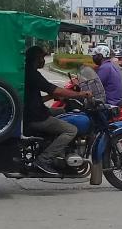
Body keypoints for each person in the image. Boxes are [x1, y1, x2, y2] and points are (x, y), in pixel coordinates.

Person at [24, 45, 91, 175]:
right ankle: (44, 159)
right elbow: (55, 89)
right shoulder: (32, 74)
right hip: (37, 117)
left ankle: (59, 150)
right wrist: (80, 94)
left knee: (63, 111)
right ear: (36, 59)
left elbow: (35, 98)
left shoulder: (27, 72)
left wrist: (51, 97)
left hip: (34, 111)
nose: (43, 60)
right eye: (42, 57)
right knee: (71, 130)